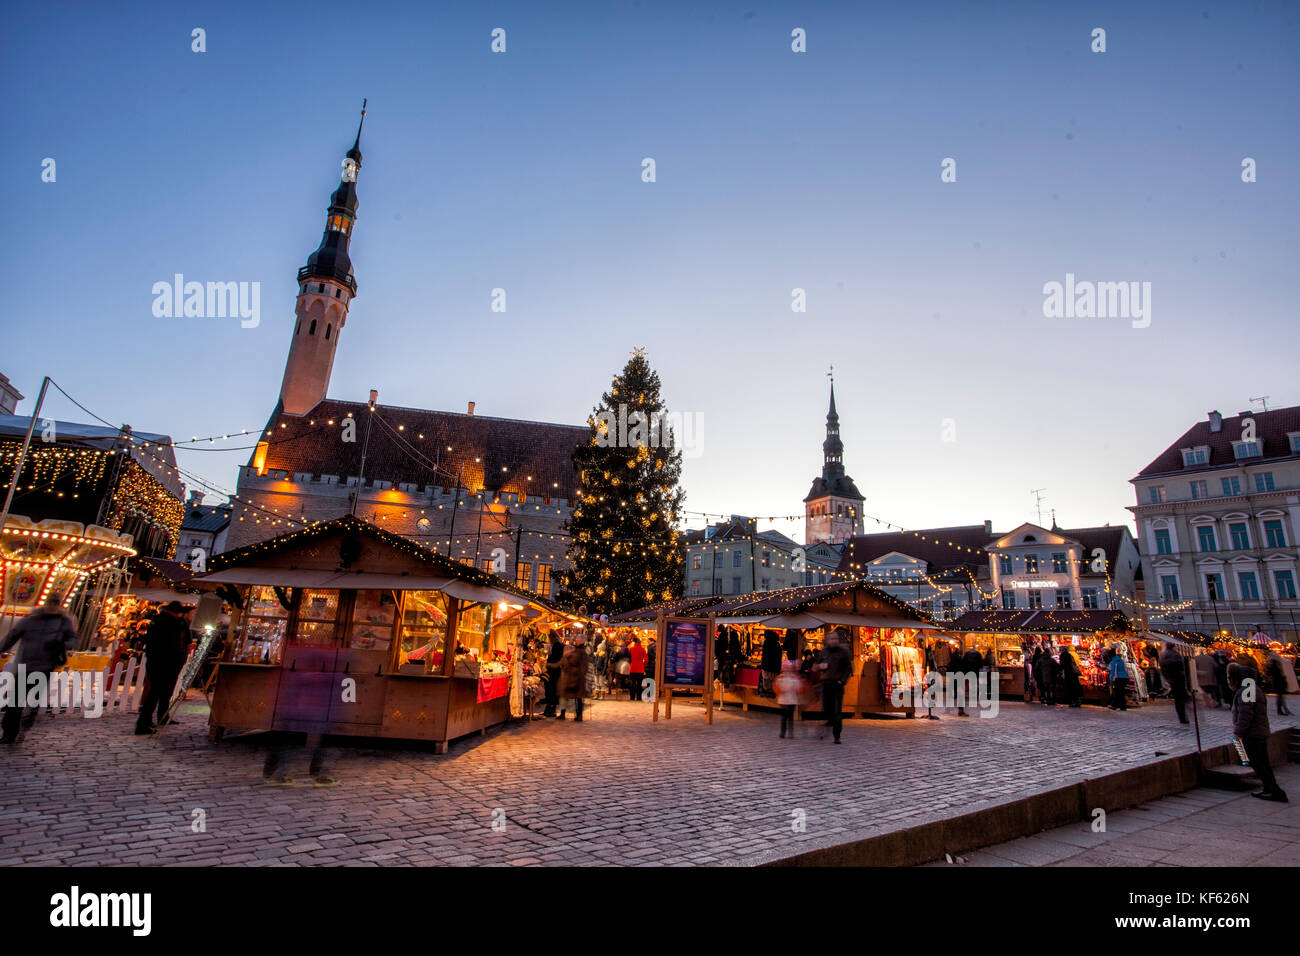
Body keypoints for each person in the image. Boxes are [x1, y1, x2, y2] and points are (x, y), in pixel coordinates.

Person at [0, 593, 79, 745]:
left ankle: (25, 724)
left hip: (45, 665)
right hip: (25, 664)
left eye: (55, 602)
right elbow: (12, 635)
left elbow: (73, 638)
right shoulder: (30, 620)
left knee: (32, 700)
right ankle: (9, 733)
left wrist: (63, 644)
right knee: (15, 700)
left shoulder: (63, 622)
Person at [1229, 662, 1288, 802]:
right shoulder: (1253, 689)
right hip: (1258, 732)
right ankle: (1269, 789)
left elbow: (1246, 714)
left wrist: (1238, 732)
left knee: (1259, 764)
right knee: (1262, 763)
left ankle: (1274, 790)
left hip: (1253, 733)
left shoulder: (1247, 691)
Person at [134, 601, 193, 735]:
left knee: (160, 692)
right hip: (166, 662)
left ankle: (156, 718)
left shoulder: (158, 621)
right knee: (156, 693)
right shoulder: (173, 623)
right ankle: (143, 723)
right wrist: (178, 659)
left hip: (157, 661)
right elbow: (174, 644)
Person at [816, 630, 852, 743]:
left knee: (837, 711)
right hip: (825, 684)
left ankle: (837, 736)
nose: (833, 641)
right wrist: (819, 666)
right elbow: (816, 665)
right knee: (827, 709)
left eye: (835, 639)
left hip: (837, 684)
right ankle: (830, 720)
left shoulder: (844, 652)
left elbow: (848, 669)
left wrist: (842, 681)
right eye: (831, 639)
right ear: (827, 640)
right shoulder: (823, 652)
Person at [557, 635, 590, 721]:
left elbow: (569, 662)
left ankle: (565, 714)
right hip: (577, 677)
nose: (575, 641)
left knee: (566, 696)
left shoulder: (577, 653)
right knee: (577, 698)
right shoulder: (582, 652)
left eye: (576, 641)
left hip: (573, 677)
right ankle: (577, 715)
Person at [1159, 643, 1190, 724]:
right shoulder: (1175, 655)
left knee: (1178, 700)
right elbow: (1180, 667)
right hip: (1178, 679)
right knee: (1181, 699)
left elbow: (1162, 668)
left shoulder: (1163, 656)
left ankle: (1181, 716)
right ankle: (1183, 717)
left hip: (1171, 679)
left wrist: (1167, 678)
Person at [774, 659, 803, 739]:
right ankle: (783, 732)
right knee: (785, 717)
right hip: (784, 700)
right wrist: (781, 690)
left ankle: (789, 732)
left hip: (790, 700)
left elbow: (799, 688)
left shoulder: (793, 678)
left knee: (789, 717)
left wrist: (795, 689)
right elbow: (776, 687)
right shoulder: (781, 677)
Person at [1266, 649, 1293, 716]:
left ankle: (1283, 709)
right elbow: (1277, 673)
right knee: (1280, 696)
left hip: (1277, 682)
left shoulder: (1273, 664)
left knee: (1280, 696)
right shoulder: (1274, 664)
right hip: (1278, 682)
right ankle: (1281, 710)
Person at [543, 631, 563, 717]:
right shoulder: (558, 645)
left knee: (552, 690)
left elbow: (556, 659)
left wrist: (550, 664)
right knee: (552, 690)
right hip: (555, 670)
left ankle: (551, 710)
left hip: (554, 671)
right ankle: (550, 709)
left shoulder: (557, 646)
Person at [760, 629, 783, 697]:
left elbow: (765, 655)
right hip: (775, 667)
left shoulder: (766, 643)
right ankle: (772, 693)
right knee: (773, 681)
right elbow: (779, 656)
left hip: (767, 666)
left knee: (766, 682)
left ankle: (766, 693)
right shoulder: (777, 644)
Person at [1107, 645, 1130, 711]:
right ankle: (1122, 706)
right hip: (1124, 677)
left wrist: (1111, 681)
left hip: (1118, 678)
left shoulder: (1113, 662)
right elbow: (1125, 669)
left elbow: (1113, 672)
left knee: (1117, 692)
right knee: (1122, 692)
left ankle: (1115, 705)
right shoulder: (1121, 660)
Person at [627, 636, 647, 701]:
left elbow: (629, 659)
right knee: (639, 684)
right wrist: (644, 665)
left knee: (632, 683)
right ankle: (639, 697)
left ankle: (632, 697)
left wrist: (631, 664)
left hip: (632, 668)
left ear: (634, 642)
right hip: (640, 669)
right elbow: (646, 659)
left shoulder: (631, 649)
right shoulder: (643, 649)